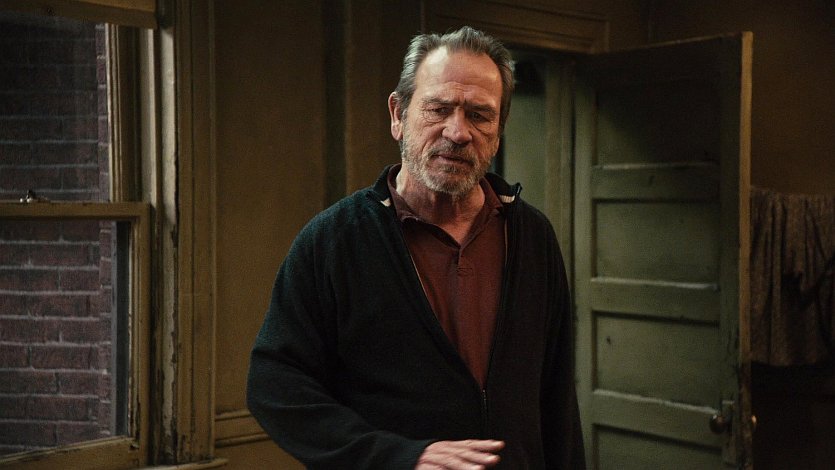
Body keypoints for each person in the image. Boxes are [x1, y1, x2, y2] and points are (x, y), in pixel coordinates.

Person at [247, 25, 585, 469]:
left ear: (498, 132)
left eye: (479, 115)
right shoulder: (334, 240)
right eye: (439, 109)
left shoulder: (531, 235)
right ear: (398, 114)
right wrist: (396, 456)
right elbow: (275, 385)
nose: (458, 132)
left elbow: (557, 398)